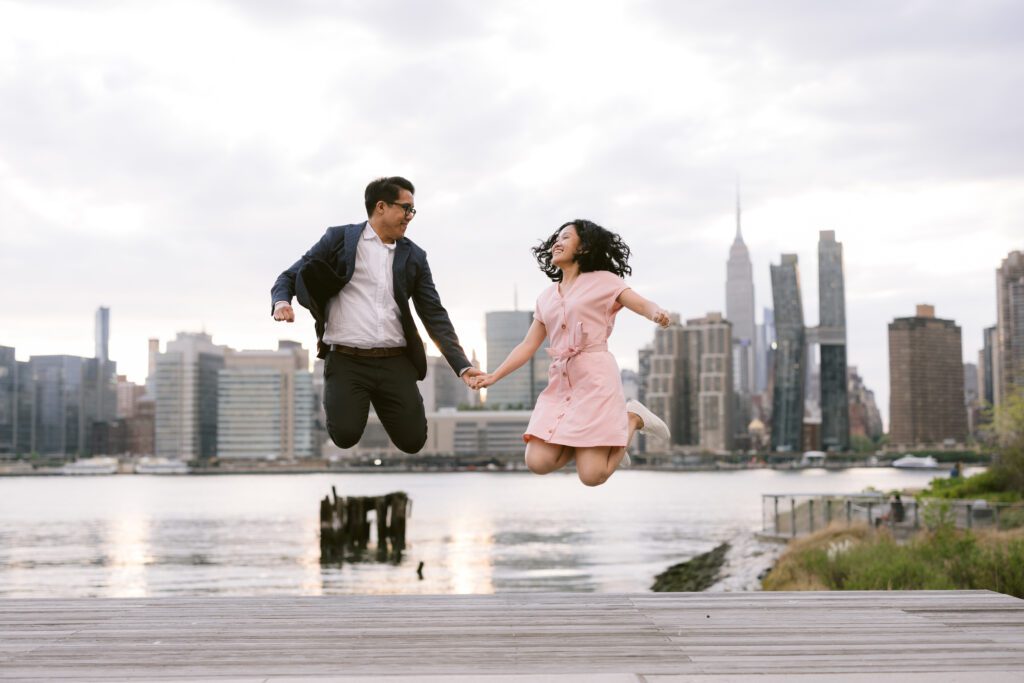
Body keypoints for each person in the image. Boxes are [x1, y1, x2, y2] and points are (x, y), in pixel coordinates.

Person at [271, 176, 481, 454]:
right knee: (345, 436)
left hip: (394, 360)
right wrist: (281, 301)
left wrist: (462, 365)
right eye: (405, 208)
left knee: (413, 441)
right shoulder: (338, 239)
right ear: (381, 207)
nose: (410, 216)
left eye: (412, 210)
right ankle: (342, 400)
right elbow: (289, 275)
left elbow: (433, 313)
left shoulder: (414, 256)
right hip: (347, 360)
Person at [472, 219, 671, 486]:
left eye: (566, 237)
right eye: (557, 237)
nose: (557, 242)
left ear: (585, 247)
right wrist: (494, 377)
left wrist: (656, 313)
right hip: (561, 382)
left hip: (596, 379)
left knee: (592, 476)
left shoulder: (604, 281)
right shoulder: (546, 298)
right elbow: (527, 345)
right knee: (537, 462)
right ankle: (595, 443)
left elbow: (641, 303)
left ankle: (631, 419)